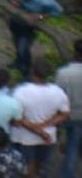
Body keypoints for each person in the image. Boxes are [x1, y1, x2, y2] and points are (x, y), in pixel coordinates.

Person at [10, 59, 70, 177]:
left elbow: (16, 117)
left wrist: (36, 129)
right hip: (48, 136)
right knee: (41, 166)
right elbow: (65, 114)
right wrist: (46, 125)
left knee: (26, 167)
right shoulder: (58, 92)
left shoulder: (21, 91)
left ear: (32, 72)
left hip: (24, 137)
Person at [4, 0, 64, 78]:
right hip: (16, 22)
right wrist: (11, 1)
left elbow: (58, 11)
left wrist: (41, 16)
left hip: (29, 27)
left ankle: (26, 70)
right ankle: (18, 62)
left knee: (23, 48)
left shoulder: (45, 0)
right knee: (16, 43)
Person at [58, 39, 82, 178]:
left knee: (69, 145)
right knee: (73, 146)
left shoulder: (63, 73)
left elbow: (57, 95)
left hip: (66, 114)